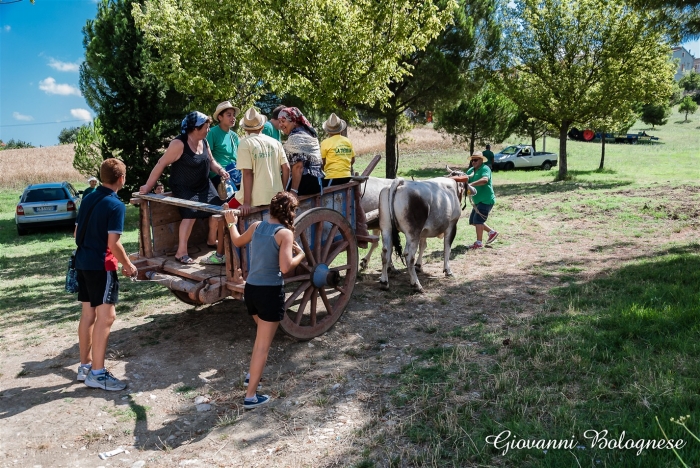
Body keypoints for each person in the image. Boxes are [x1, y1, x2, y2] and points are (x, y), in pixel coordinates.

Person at [223, 192, 306, 409]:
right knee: (262, 346)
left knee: (261, 338)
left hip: (251, 290)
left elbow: (238, 241)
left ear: (271, 209)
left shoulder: (256, 226)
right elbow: (286, 267)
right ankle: (251, 397)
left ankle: (252, 376)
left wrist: (231, 223)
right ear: (290, 212)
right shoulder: (285, 234)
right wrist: (302, 255)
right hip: (270, 292)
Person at [75, 158, 137, 391]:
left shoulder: (88, 197)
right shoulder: (115, 205)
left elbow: (76, 232)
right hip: (101, 266)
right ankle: (98, 374)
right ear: (121, 179)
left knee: (88, 314)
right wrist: (128, 265)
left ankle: (85, 366)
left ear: (102, 177)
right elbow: (113, 243)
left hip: (82, 262)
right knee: (107, 317)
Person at [139, 111, 228, 265]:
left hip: (203, 185)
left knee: (220, 208)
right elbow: (161, 164)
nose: (208, 130)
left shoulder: (204, 142)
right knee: (190, 213)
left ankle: (212, 240)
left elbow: (212, 161)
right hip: (184, 186)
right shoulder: (179, 144)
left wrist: (220, 170)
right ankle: (181, 252)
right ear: (195, 128)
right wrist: (148, 186)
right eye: (206, 127)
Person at [229, 108, 290, 216]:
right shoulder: (276, 143)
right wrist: (282, 191)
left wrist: (247, 203)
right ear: (262, 126)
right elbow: (286, 168)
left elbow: (247, 173)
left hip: (254, 198)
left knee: (224, 212)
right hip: (275, 196)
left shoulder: (245, 143)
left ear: (245, 129)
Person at [450, 152, 498, 249]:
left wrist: (471, 185)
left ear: (481, 160)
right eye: (472, 160)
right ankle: (491, 232)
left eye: (475, 160)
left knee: (478, 221)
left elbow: (485, 180)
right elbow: (465, 180)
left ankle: (479, 243)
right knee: (473, 221)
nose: (473, 162)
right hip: (477, 201)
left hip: (486, 200)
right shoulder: (471, 170)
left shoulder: (485, 169)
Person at [277, 107, 324, 196]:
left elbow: (298, 166)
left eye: (283, 121)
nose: (280, 125)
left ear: (294, 121)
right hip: (317, 182)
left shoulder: (296, 137)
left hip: (305, 182)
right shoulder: (308, 133)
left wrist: (294, 191)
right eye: (279, 122)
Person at [208, 101, 242, 191]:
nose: (233, 118)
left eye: (233, 115)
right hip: (219, 174)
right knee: (232, 199)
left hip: (235, 173)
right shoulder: (212, 133)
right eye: (229, 115)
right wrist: (220, 170)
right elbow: (207, 156)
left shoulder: (234, 135)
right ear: (220, 117)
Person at [320, 113, 355, 187]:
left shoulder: (325, 143)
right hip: (347, 177)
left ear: (328, 131)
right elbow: (353, 160)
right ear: (341, 129)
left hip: (332, 178)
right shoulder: (348, 141)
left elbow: (322, 163)